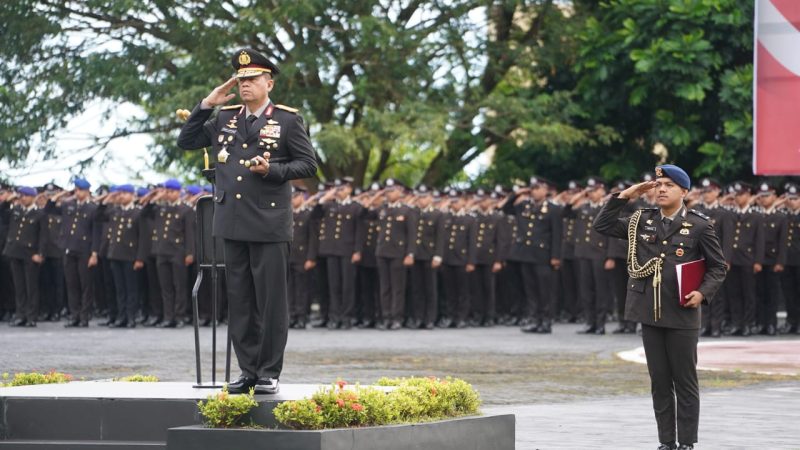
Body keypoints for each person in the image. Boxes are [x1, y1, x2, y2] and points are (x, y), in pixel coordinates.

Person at [177, 48, 318, 394]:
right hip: (232, 223)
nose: (245, 85)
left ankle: (269, 370)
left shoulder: (287, 120)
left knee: (270, 301)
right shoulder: (224, 118)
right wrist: (207, 103)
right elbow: (187, 141)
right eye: (240, 80)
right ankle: (248, 370)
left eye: (252, 79)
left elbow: (308, 165)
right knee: (239, 300)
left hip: (268, 224)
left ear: (269, 82)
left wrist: (273, 169)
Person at [594, 164, 726, 450]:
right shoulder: (642, 220)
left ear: (684, 191)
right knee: (660, 382)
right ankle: (666, 442)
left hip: (682, 311)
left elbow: (718, 267)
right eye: (659, 184)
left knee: (685, 382)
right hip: (649, 312)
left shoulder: (700, 225)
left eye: (669, 185)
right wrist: (626, 195)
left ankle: (687, 443)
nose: (662, 189)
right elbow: (602, 225)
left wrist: (702, 293)